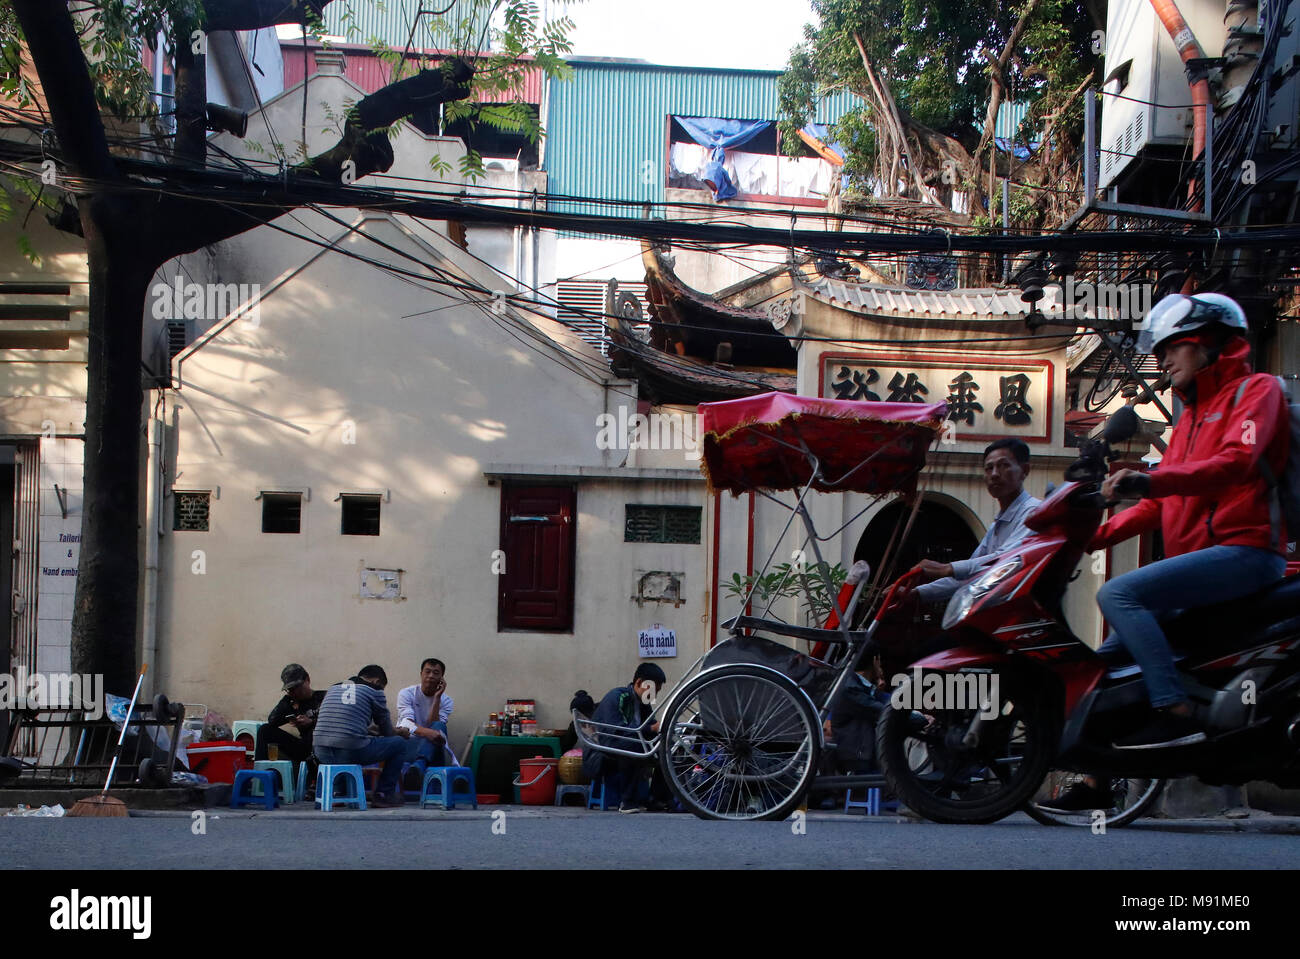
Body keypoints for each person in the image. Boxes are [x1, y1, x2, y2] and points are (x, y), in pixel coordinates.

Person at [1085, 292, 1288, 751]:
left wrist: (1150, 481)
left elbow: (1238, 461)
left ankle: (1175, 708)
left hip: (1247, 553)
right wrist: (1091, 538)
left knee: (1118, 593)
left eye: (1173, 347)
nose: (1164, 360)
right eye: (1161, 352)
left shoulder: (1256, 392)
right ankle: (1097, 779)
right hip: (1200, 565)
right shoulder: (1191, 418)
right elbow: (1163, 503)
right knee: (1103, 663)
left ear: (1210, 343)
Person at [908, 439, 1041, 604]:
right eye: (989, 468)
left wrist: (946, 568)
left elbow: (1006, 560)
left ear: (1024, 470)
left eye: (1004, 465)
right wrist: (916, 593)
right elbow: (967, 577)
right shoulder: (998, 525)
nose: (994, 474)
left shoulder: (1034, 513)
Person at [313, 664, 410, 807]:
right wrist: (401, 732)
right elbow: (388, 732)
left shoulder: (333, 688)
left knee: (343, 742)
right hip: (349, 751)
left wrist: (370, 730)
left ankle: (338, 792)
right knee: (399, 744)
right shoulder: (374, 690)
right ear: (377, 682)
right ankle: (383, 794)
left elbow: (341, 724)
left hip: (320, 751)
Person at [582, 663, 668, 813]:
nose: (654, 696)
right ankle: (627, 801)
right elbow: (615, 732)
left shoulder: (644, 703)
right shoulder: (617, 696)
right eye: (653, 690)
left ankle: (657, 798)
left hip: (621, 747)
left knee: (667, 748)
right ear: (639, 683)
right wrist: (651, 728)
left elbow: (651, 726)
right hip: (600, 753)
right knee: (632, 746)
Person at [255, 665, 325, 782]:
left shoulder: (323, 697)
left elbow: (335, 723)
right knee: (265, 730)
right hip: (303, 748)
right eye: (291, 689)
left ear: (307, 680)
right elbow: (272, 721)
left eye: (297, 687)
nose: (295, 692)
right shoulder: (291, 702)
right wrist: (287, 701)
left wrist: (312, 722)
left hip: (323, 748)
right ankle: (260, 778)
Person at [396, 658, 454, 783]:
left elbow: (433, 725)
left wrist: (437, 698)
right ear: (421, 674)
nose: (431, 676)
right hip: (408, 745)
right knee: (435, 740)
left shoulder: (447, 701)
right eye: (427, 671)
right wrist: (429, 733)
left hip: (431, 747)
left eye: (436, 673)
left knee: (439, 726)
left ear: (442, 678)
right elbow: (406, 723)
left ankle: (419, 766)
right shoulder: (407, 693)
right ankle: (419, 767)